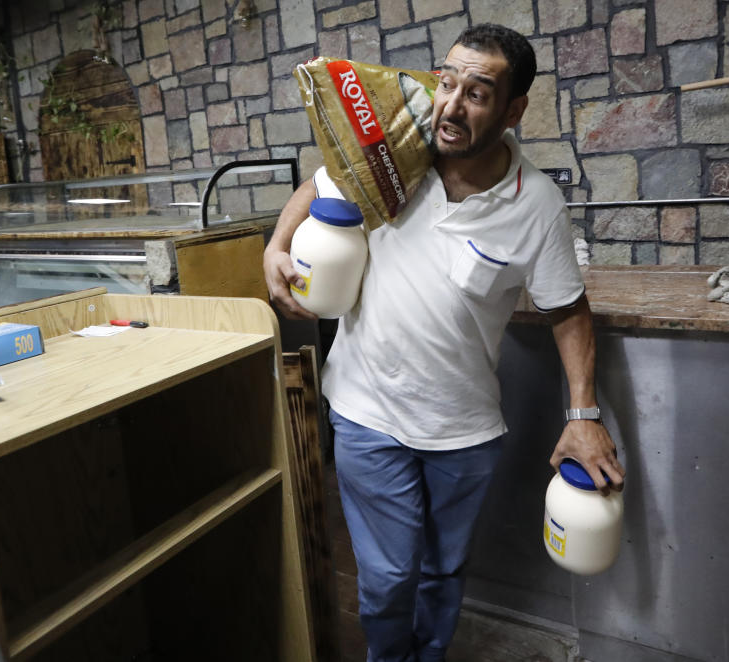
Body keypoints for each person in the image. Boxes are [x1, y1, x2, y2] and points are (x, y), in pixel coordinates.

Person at [264, 23, 625, 662]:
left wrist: (584, 416)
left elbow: (568, 311)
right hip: (366, 410)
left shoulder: (535, 204)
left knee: (441, 572)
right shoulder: (397, 151)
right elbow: (323, 180)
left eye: (477, 93)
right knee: (387, 578)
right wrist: (275, 244)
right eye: (446, 81)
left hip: (464, 430)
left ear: (514, 110)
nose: (450, 106)